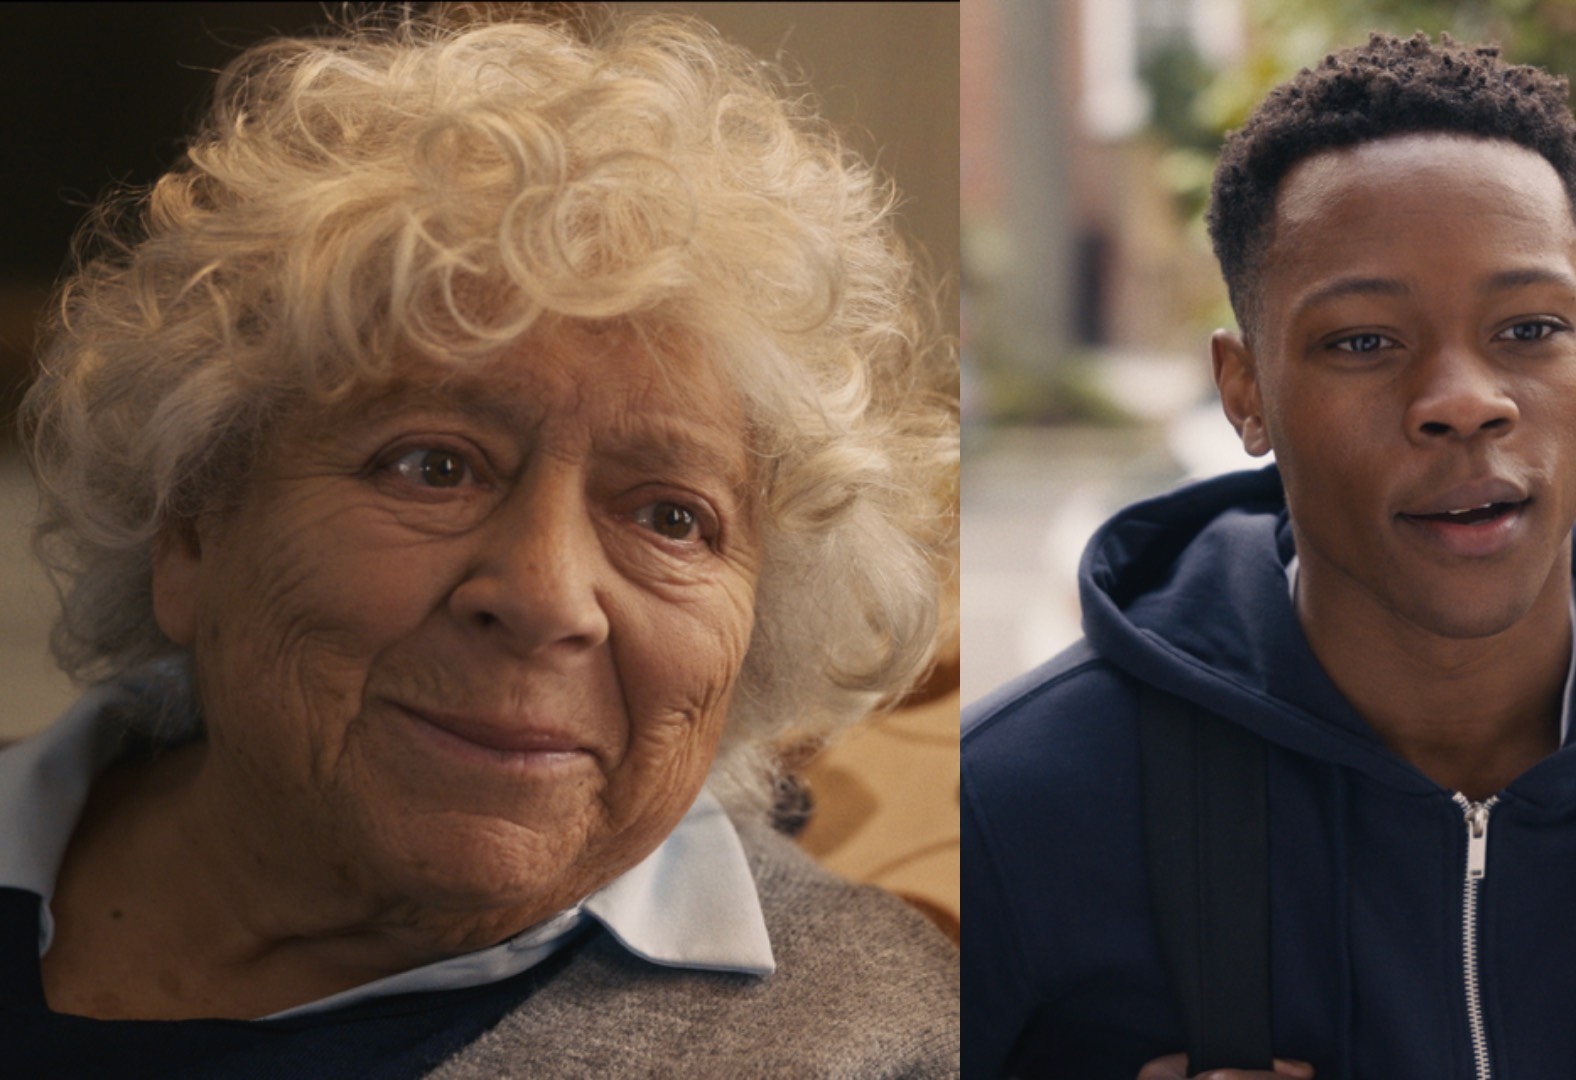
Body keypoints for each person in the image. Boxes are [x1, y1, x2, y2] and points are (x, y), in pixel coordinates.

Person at [0, 8, 958, 1076]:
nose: (547, 595)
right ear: (192, 526)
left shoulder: (882, 1044)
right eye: (433, 466)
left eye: (670, 517)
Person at [961, 32, 1576, 1080]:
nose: (1465, 400)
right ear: (1245, 392)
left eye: (1529, 328)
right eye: (1364, 341)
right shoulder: (1013, 806)